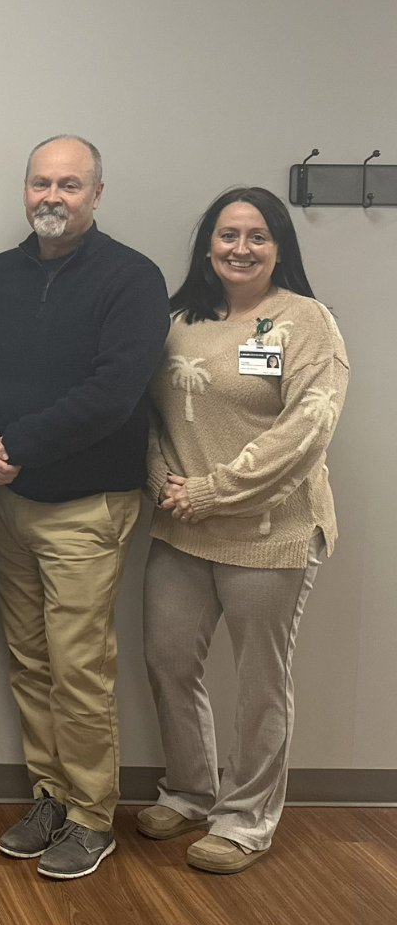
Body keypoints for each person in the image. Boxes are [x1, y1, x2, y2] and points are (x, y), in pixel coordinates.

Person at [0, 135, 169, 879]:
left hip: (85, 507)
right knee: (30, 662)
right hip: (6, 504)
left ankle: (91, 815)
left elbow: (114, 392)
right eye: (41, 183)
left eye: (69, 185)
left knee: (79, 666)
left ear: (98, 195)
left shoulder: (131, 278)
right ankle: (49, 794)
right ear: (24, 191)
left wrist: (17, 443)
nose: (52, 197)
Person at [139, 187, 347, 873]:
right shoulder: (177, 320)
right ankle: (192, 792)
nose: (241, 247)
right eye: (228, 235)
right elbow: (149, 417)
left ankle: (246, 819)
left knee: (261, 680)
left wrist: (212, 492)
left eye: (257, 236)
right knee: (169, 662)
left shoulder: (306, 321)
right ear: (207, 245)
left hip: (270, 531)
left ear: (279, 247)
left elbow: (307, 431)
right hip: (181, 528)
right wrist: (166, 483)